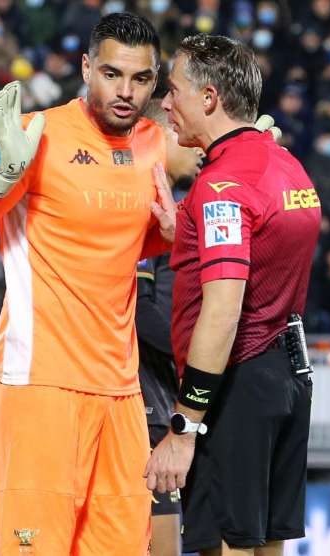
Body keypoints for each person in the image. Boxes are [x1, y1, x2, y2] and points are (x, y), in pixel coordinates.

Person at [0, 13, 176, 555]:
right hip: (40, 385)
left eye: (139, 79)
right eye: (111, 74)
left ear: (155, 82)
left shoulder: (155, 143)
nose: (125, 91)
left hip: (121, 394)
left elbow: (128, 242)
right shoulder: (33, 137)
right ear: (86, 68)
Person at [144, 34, 321, 556]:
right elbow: (265, 249)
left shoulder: (223, 187)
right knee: (267, 542)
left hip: (236, 385)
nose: (166, 103)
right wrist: (188, 233)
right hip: (287, 377)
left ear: (209, 97)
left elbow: (222, 311)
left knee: (226, 545)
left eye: (173, 90)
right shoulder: (287, 165)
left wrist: (183, 426)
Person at [137, 98, 202, 556]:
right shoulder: (141, 201)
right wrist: (195, 357)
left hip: (169, 396)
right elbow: (141, 309)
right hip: (148, 402)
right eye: (184, 133)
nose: (197, 145)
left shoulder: (174, 205)